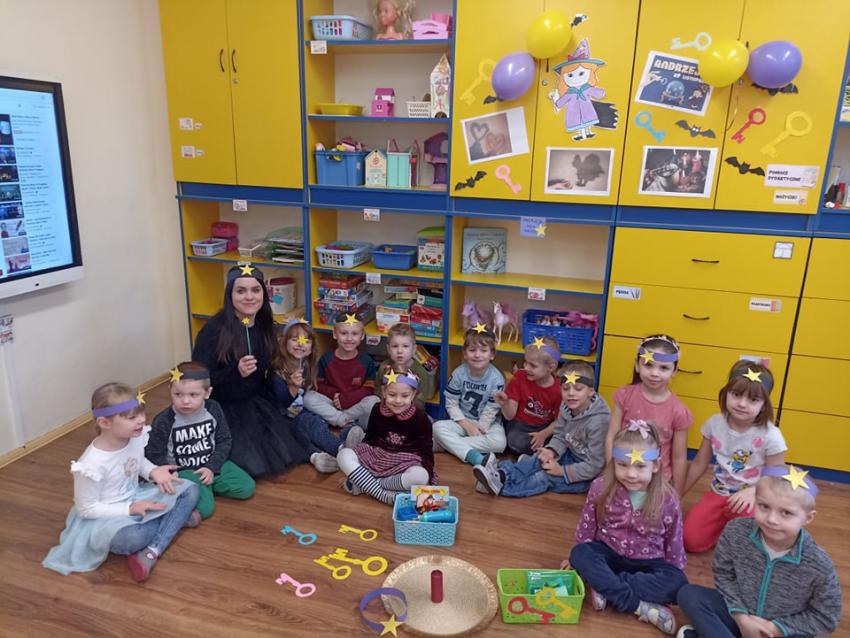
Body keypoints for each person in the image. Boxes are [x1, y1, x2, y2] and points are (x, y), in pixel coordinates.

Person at [43, 383, 199, 582]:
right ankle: (169, 526)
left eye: (141, 413)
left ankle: (153, 547)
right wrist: (129, 509)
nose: (141, 420)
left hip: (136, 495)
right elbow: (87, 509)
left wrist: (153, 471)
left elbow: (137, 461)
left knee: (190, 489)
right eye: (132, 418)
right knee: (131, 539)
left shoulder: (133, 437)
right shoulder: (91, 464)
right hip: (107, 516)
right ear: (104, 422)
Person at [677, 467, 842, 638]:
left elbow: (826, 617)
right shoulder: (735, 531)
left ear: (808, 518)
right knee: (690, 595)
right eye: (764, 506)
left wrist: (775, 628)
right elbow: (724, 573)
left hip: (779, 631)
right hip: (738, 615)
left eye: (786, 513)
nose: (771, 519)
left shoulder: (818, 563)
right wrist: (741, 618)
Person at [568, 421, 688, 635]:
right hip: (608, 554)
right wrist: (576, 558)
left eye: (640, 466)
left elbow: (674, 540)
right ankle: (638, 606)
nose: (631, 474)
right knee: (580, 554)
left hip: (649, 563)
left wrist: (673, 573)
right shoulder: (600, 487)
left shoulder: (668, 499)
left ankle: (605, 586)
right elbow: (587, 525)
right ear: (614, 462)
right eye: (623, 465)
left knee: (678, 583)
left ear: (655, 466)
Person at [191, 265, 311, 478]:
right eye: (241, 291)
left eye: (255, 290)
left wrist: (288, 382)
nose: (249, 297)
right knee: (247, 459)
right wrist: (235, 371)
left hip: (253, 399)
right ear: (230, 295)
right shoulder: (214, 330)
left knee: (284, 438)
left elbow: (267, 372)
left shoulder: (264, 325)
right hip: (222, 404)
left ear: (264, 294)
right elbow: (200, 380)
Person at [682, 361, 786, 553]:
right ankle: (722, 527)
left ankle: (734, 530)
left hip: (753, 499)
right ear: (726, 393)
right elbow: (698, 464)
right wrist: (676, 495)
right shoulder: (714, 424)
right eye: (736, 394)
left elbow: (777, 477)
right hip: (719, 493)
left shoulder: (771, 436)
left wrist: (754, 491)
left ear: (764, 405)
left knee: (747, 549)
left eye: (753, 399)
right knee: (690, 541)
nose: (742, 403)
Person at [474, 360, 610, 497]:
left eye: (578, 389)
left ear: (590, 391)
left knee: (545, 477)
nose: (571, 393)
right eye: (566, 388)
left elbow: (595, 465)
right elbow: (560, 435)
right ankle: (502, 474)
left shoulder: (599, 421)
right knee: (539, 458)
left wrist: (561, 471)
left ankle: (501, 488)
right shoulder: (566, 406)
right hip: (570, 454)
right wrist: (551, 451)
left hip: (587, 474)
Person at [146, 362, 256, 520]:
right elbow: (154, 453)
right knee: (206, 508)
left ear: (207, 393)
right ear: (170, 391)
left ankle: (205, 487)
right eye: (178, 394)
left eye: (193, 395)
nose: (185, 401)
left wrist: (212, 467)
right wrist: (170, 473)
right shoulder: (164, 420)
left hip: (212, 464)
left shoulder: (213, 409)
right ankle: (185, 512)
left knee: (246, 487)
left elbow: (224, 439)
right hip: (185, 471)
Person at [605, 334, 693, 494]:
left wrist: (677, 495)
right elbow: (612, 436)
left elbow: (679, 458)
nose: (655, 373)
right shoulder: (625, 396)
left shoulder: (679, 411)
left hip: (656, 481)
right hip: (623, 473)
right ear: (637, 365)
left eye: (663, 368)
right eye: (648, 365)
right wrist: (611, 472)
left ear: (674, 371)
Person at [337, 365, 434, 505]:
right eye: (392, 395)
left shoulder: (421, 418)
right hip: (377, 456)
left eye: (405, 396)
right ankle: (383, 495)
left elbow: (426, 452)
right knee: (343, 455)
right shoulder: (377, 409)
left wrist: (428, 477)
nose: (398, 401)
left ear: (413, 395)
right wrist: (358, 456)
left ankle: (366, 484)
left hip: (404, 462)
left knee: (421, 476)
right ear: (383, 392)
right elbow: (370, 438)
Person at [269, 319, 353, 473]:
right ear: (284, 343)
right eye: (295, 339)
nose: (301, 344)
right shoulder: (277, 371)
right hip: (279, 416)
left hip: (299, 410)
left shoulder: (306, 365)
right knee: (297, 432)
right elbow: (282, 402)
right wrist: (293, 387)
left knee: (315, 423)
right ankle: (316, 455)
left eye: (306, 341)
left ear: (311, 349)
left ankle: (341, 448)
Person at [433, 326, 505, 466]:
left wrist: (479, 428)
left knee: (500, 443)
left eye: (483, 351)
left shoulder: (497, 379)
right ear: (465, 353)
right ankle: (474, 457)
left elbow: (491, 409)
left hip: (488, 424)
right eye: (472, 350)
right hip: (462, 421)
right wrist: (467, 426)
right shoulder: (458, 374)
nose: (477, 355)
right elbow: (451, 403)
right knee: (437, 427)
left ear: (492, 354)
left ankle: (445, 444)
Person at [303, 311, 380, 431]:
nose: (349, 338)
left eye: (355, 334)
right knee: (308, 397)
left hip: (355, 405)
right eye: (343, 333)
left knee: (374, 401)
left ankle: (340, 421)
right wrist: (335, 395)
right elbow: (319, 385)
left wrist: (348, 398)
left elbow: (369, 389)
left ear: (362, 336)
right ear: (335, 334)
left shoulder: (366, 360)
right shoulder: (326, 358)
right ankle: (344, 421)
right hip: (332, 403)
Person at [493, 336, 563, 455]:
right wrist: (505, 403)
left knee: (560, 440)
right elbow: (509, 416)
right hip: (519, 424)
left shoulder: (559, 390)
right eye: (525, 362)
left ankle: (540, 452)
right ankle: (538, 453)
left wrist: (543, 434)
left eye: (533, 365)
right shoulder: (520, 377)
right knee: (514, 440)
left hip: (543, 427)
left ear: (551, 367)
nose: (526, 368)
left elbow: (559, 421)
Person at [375, 323, 434, 409]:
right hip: (387, 408)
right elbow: (378, 392)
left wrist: (402, 407)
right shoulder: (384, 368)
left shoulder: (420, 372)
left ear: (414, 349)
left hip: (412, 411)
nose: (400, 351)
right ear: (388, 349)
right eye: (395, 346)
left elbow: (421, 401)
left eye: (405, 346)